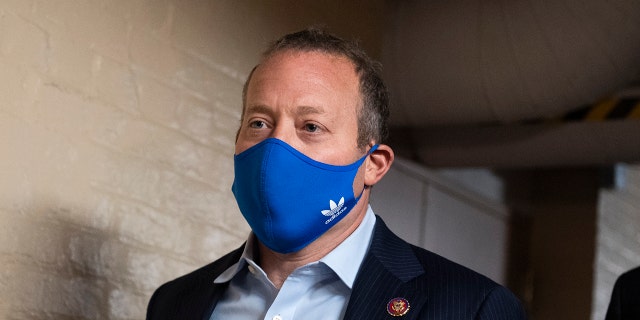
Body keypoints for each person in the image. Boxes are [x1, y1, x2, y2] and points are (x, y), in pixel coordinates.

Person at [146, 28, 526, 320]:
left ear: (373, 165)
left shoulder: (471, 308)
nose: (276, 147)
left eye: (311, 127)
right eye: (259, 122)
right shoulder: (175, 302)